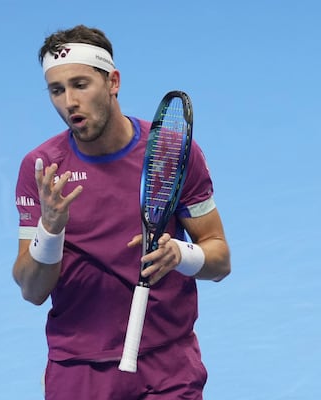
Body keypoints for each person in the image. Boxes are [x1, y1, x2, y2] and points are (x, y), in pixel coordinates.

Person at [13, 24, 230, 400]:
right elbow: (32, 290)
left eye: (81, 84)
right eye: (56, 90)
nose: (69, 102)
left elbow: (219, 257)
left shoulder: (170, 153)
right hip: (79, 368)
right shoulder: (43, 169)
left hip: (168, 364)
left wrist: (180, 254)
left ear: (113, 82)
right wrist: (49, 230)